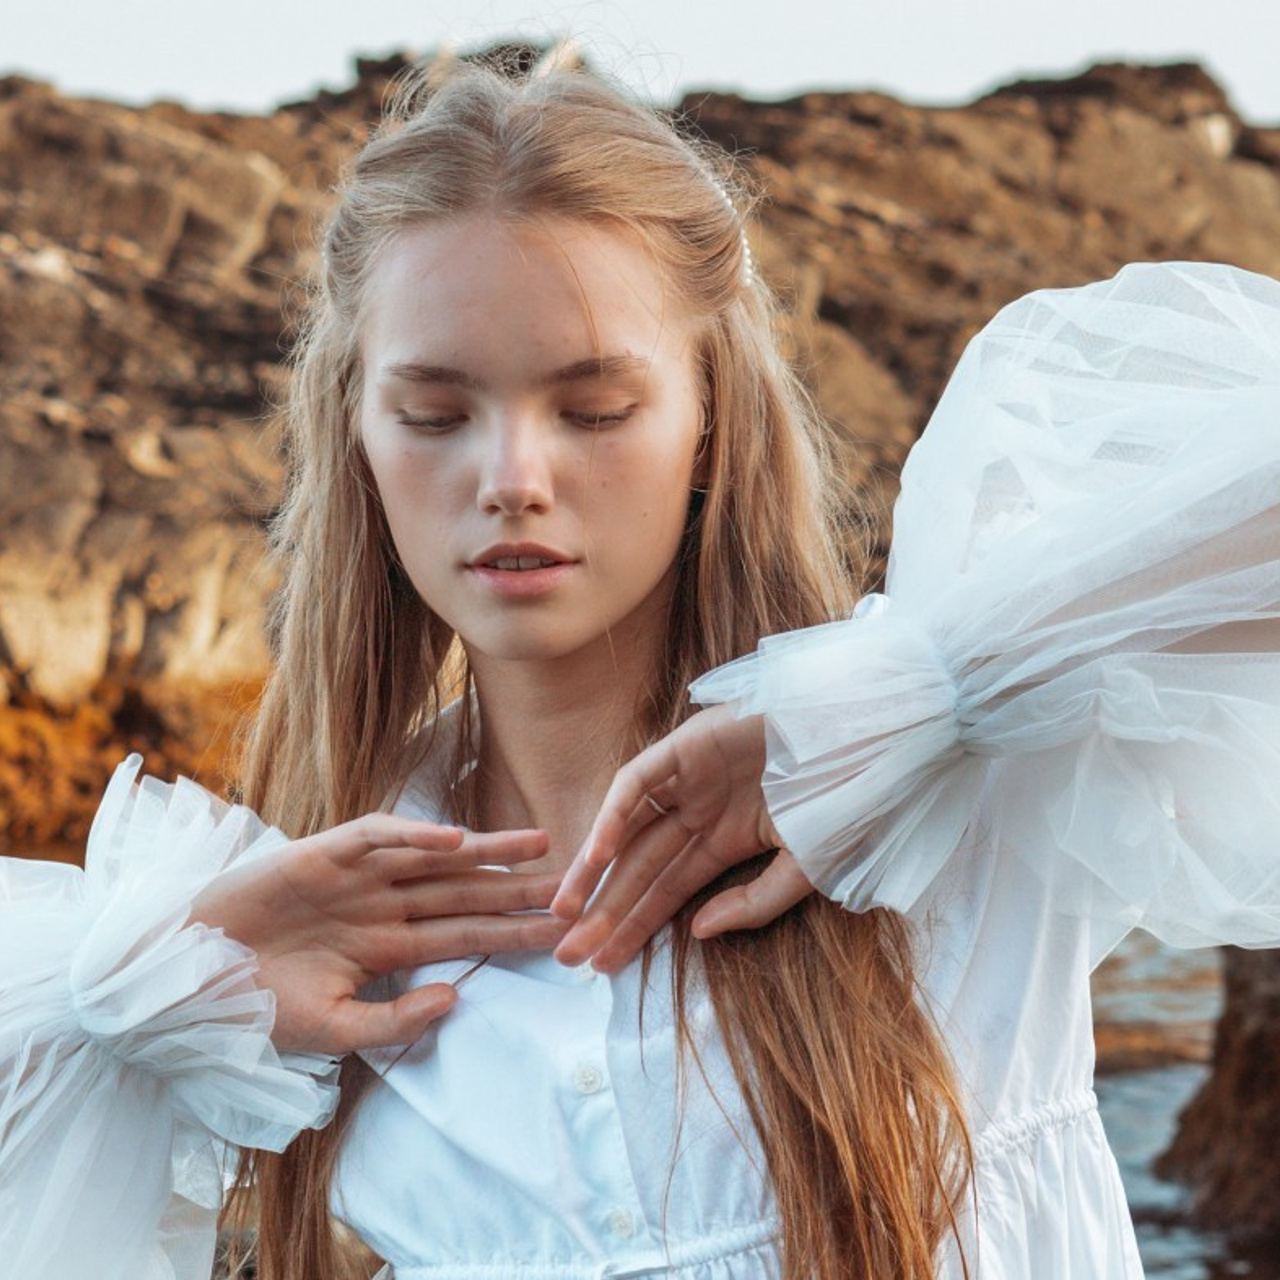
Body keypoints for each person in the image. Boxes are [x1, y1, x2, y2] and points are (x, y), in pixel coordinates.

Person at [3, 58, 1280, 1280]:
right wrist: (167, 989)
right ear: (356, 436)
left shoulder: (954, 781)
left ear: (708, 414)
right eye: (434, 414)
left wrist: (915, 698)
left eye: (595, 407)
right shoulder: (330, 906)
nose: (511, 475)